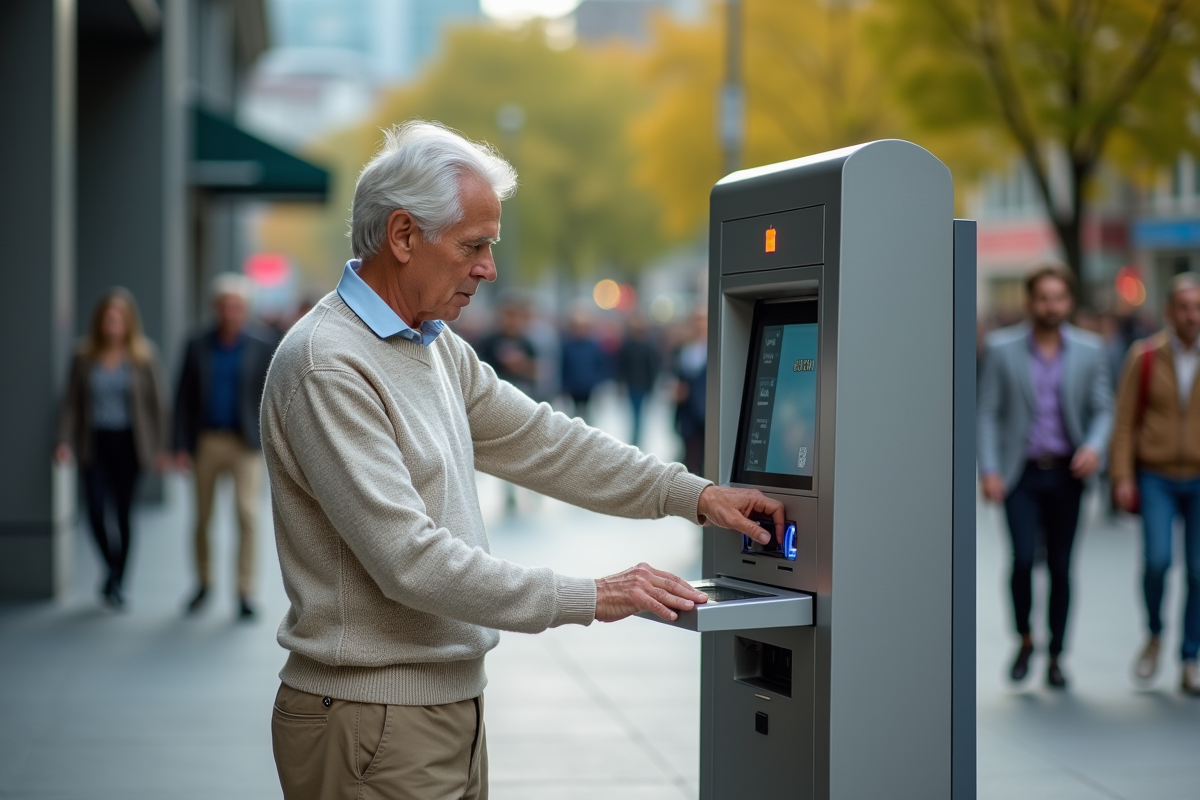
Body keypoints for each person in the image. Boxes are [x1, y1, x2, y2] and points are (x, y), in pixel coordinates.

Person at [260, 120, 784, 800]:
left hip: (435, 711)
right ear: (402, 236)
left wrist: (695, 494)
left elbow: (545, 440)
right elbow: (409, 560)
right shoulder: (326, 363)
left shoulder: (431, 345)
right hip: (372, 721)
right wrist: (590, 597)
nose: (488, 268)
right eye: (474, 245)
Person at [977, 264, 1113, 689]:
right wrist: (990, 469)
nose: (1050, 305)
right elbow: (988, 413)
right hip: (1021, 475)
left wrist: (1094, 446)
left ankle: (1056, 655)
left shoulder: (1091, 350)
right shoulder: (1002, 348)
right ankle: (1024, 638)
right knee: (1020, 561)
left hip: (1069, 474)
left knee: (1060, 566)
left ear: (1068, 302)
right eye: (1043, 297)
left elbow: (1103, 407)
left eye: (1058, 297)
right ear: (1029, 301)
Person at [1111, 272, 1200, 696]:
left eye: (1198, 307)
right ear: (1169, 311)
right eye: (1184, 307)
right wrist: (1122, 476)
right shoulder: (1144, 357)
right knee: (1158, 561)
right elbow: (1125, 421)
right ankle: (1154, 632)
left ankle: (1190, 657)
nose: (1192, 315)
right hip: (1156, 476)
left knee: (1199, 571)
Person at [56, 289, 170, 608]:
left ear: (128, 322)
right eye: (108, 317)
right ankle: (111, 567)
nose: (113, 323)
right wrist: (63, 441)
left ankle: (118, 582)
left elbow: (159, 405)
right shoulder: (83, 356)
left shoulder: (143, 356)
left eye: (118, 317)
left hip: (130, 443)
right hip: (94, 442)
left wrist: (162, 448)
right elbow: (70, 405)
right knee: (94, 511)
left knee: (122, 512)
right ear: (99, 320)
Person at [174, 273, 276, 619]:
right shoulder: (197, 344)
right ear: (215, 308)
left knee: (247, 515)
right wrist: (180, 445)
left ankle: (245, 591)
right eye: (225, 305)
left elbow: (272, 396)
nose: (231, 311)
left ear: (245, 309)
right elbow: (183, 397)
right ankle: (203, 583)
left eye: (237, 305)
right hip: (206, 442)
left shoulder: (262, 345)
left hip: (244, 443)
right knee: (202, 517)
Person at [616, 315, 661, 447]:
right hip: (632, 385)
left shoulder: (647, 346)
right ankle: (636, 438)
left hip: (643, 385)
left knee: (638, 413)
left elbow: (653, 367)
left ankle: (636, 438)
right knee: (635, 413)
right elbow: (622, 366)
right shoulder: (628, 345)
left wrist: (652, 385)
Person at [673, 310, 708, 476]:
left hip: (707, 410)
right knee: (690, 454)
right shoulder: (684, 349)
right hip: (688, 411)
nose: (700, 325)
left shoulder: (717, 347)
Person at [559, 309, 607, 422]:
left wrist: (598, 383)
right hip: (573, 385)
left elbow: (599, 365)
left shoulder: (593, 345)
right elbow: (564, 366)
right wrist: (563, 385)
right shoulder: (568, 345)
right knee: (575, 415)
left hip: (588, 385)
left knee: (588, 413)